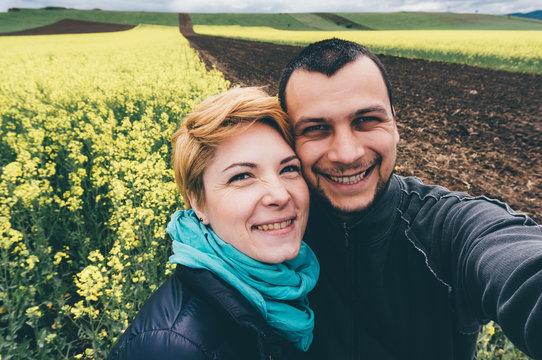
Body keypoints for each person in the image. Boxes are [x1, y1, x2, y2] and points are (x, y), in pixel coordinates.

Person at [278, 38, 542, 360]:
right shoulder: (271, 233)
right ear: (288, 141)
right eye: (317, 128)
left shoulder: (450, 230)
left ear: (394, 123)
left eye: (366, 120)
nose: (346, 154)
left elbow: (519, 262)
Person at [107, 87, 319, 360]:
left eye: (289, 169)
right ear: (198, 203)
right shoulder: (173, 347)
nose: (280, 195)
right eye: (242, 176)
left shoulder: (293, 281)